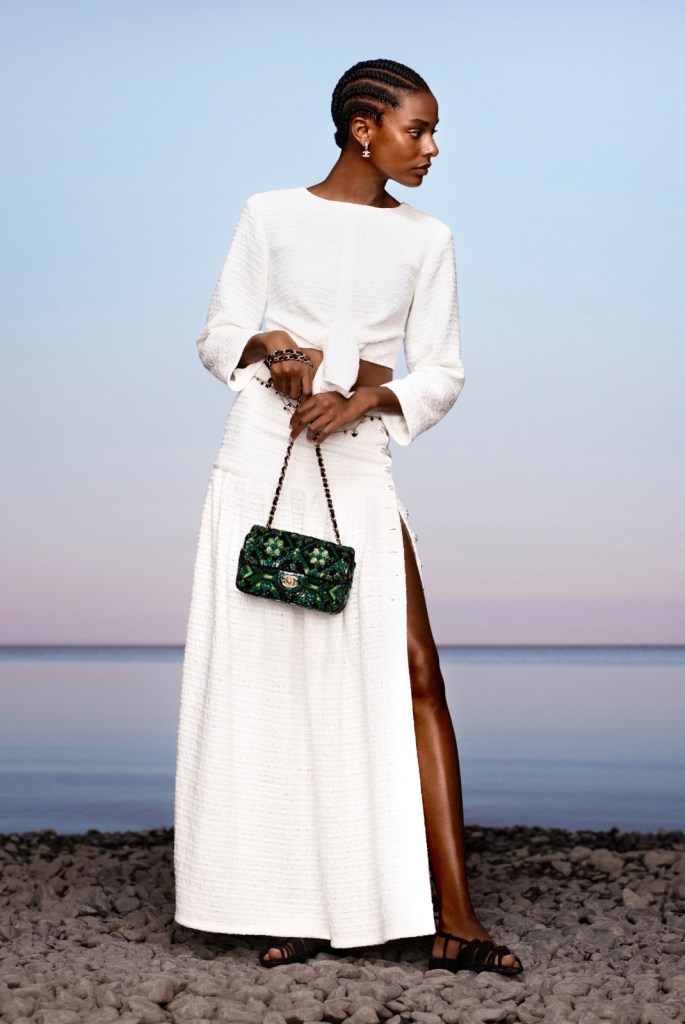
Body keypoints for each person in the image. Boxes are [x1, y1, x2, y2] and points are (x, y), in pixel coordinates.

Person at [173, 58, 523, 977]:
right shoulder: (268, 214)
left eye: (433, 131)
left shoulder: (428, 239)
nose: (432, 148)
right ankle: (293, 904)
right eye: (419, 129)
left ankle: (456, 915)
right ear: (364, 129)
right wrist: (271, 344)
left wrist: (368, 399)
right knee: (278, 677)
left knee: (415, 671)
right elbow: (217, 334)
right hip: (265, 450)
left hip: (357, 455)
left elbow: (441, 368)